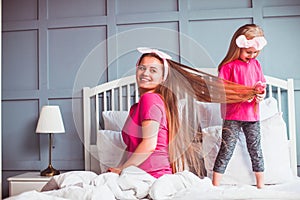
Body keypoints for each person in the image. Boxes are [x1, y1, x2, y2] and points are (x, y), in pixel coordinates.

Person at [108, 46, 265, 179]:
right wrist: (119, 169)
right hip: (138, 174)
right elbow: (132, 148)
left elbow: (149, 145)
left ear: (163, 78)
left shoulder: (150, 99)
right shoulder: (140, 105)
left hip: (149, 175)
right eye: (142, 68)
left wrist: (121, 169)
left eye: (153, 70)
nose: (145, 73)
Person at [212, 24, 267, 188]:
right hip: (232, 116)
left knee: (256, 150)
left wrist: (260, 94)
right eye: (248, 52)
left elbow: (261, 84)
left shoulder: (256, 65)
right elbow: (221, 90)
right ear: (238, 47)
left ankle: (261, 185)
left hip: (252, 115)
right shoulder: (228, 67)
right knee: (226, 149)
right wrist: (240, 95)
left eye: (255, 52)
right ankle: (215, 185)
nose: (252, 55)